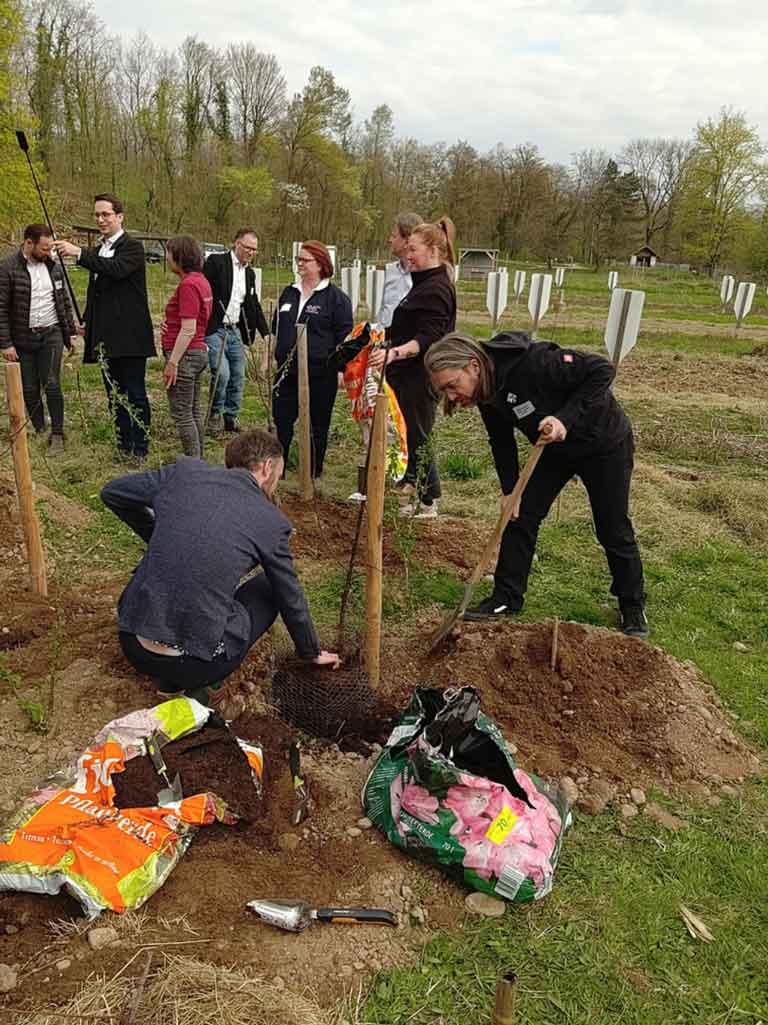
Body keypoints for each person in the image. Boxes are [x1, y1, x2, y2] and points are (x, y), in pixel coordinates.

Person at [424, 331, 648, 637]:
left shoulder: (536, 363)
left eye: (452, 385)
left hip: (604, 443)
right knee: (519, 515)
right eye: (444, 390)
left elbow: (601, 369)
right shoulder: (487, 392)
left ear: (473, 366)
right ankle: (506, 597)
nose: (451, 396)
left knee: (612, 527)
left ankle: (632, 605)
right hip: (553, 449)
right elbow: (500, 441)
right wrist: (509, 491)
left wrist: (564, 419)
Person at [101, 428, 341, 714]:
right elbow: (289, 594)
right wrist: (311, 652)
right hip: (196, 665)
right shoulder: (270, 521)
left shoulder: (185, 474)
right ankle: (203, 689)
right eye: (278, 474)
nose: (276, 482)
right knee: (268, 585)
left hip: (134, 645)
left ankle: (167, 683)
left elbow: (113, 493)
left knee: (168, 571)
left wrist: (156, 534)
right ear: (266, 467)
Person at [55, 194, 155, 461]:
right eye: (97, 215)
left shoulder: (131, 247)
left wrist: (79, 253)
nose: (100, 219)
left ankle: (141, 447)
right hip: (106, 337)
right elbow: (98, 289)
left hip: (131, 337)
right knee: (114, 393)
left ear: (119, 217)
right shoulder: (100, 250)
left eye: (106, 215)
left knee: (134, 392)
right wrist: (87, 318)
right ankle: (123, 445)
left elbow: (117, 270)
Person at [369, 216, 457, 519]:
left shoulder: (437, 289)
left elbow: (428, 336)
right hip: (406, 375)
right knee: (409, 432)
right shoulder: (425, 283)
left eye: (414, 250)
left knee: (419, 434)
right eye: (407, 249)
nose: (408, 255)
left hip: (421, 376)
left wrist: (395, 353)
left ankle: (430, 498)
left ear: (433, 250)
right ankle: (413, 483)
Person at [272, 241, 353, 478]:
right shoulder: (289, 292)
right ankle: (280, 468)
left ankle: (312, 471)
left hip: (320, 374)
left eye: (304, 260)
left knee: (317, 424)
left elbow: (345, 339)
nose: (299, 264)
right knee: (282, 420)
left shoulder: (336, 299)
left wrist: (341, 370)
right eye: (298, 259)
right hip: (287, 371)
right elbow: (278, 325)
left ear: (320, 264)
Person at [0, 224, 76, 450]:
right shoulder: (7, 269)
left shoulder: (54, 267)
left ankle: (58, 433)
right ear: (28, 243)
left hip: (51, 333)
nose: (48, 253)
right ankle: (40, 427)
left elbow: (63, 302)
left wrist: (69, 333)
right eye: (44, 248)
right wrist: (5, 343)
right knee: (30, 388)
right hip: (22, 337)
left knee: (52, 383)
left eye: (50, 248)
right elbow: (1, 308)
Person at [203, 228, 270, 435]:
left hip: (235, 331)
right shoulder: (216, 263)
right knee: (222, 374)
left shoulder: (249, 274)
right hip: (215, 329)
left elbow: (253, 304)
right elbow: (202, 292)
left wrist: (265, 333)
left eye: (255, 250)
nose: (251, 252)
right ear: (236, 244)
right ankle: (214, 415)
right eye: (248, 247)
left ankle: (230, 417)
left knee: (238, 376)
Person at [161, 236, 213, 458]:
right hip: (197, 352)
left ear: (179, 257)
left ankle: (193, 465)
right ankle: (198, 460)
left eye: (169, 253)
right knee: (193, 410)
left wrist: (173, 361)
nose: (166, 257)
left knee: (182, 413)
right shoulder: (200, 280)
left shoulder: (189, 285)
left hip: (185, 355)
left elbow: (189, 328)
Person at [377, 211, 423, 328]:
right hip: (384, 341)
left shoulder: (424, 277)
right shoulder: (388, 271)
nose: (389, 240)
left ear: (407, 241)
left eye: (394, 236)